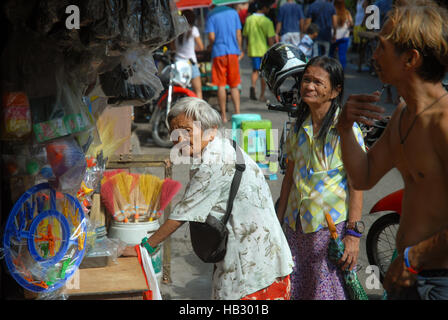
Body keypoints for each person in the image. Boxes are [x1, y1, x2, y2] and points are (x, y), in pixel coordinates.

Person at [124, 97, 294, 300]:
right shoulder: (223, 147)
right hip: (260, 258)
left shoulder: (216, 161)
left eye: (187, 130)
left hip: (254, 267)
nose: (179, 139)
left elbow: (182, 213)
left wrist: (144, 248)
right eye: (174, 132)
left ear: (211, 130)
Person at [336, 0, 448, 299]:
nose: (373, 56)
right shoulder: (402, 114)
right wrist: (345, 127)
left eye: (381, 47)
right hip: (409, 272)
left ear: (410, 59)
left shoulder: (444, 122)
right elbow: (363, 177)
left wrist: (413, 258)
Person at [273, 55, 365, 300]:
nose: (309, 86)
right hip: (295, 229)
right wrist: (278, 222)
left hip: (328, 233)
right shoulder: (297, 127)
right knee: (298, 290)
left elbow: (357, 184)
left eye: (317, 82)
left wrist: (353, 236)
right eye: (306, 80)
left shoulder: (346, 130)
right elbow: (289, 178)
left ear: (335, 91)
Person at [205, 5, 244, 123]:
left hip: (218, 52)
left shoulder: (211, 14)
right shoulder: (233, 13)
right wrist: (240, 49)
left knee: (221, 85)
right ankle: (237, 112)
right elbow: (238, 35)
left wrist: (210, 46)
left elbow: (211, 37)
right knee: (234, 84)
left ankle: (223, 115)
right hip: (233, 52)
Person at [243, 0, 276, 102]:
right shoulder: (267, 21)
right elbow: (271, 39)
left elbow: (246, 35)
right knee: (263, 73)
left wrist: (247, 47)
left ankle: (253, 86)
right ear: (265, 8)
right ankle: (262, 95)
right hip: (264, 51)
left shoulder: (249, 19)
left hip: (253, 49)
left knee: (254, 71)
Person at [174, 10, 205, 99]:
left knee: (179, 91)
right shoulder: (194, 30)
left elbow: (173, 47)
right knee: (198, 91)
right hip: (190, 63)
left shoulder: (177, 30)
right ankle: (199, 110)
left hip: (178, 64)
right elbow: (201, 47)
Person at [330, 0, 353, 70]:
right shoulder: (347, 12)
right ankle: (341, 71)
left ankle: (330, 70)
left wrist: (334, 34)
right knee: (342, 55)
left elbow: (333, 24)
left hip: (334, 36)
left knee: (331, 54)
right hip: (344, 36)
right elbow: (351, 23)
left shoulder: (333, 12)